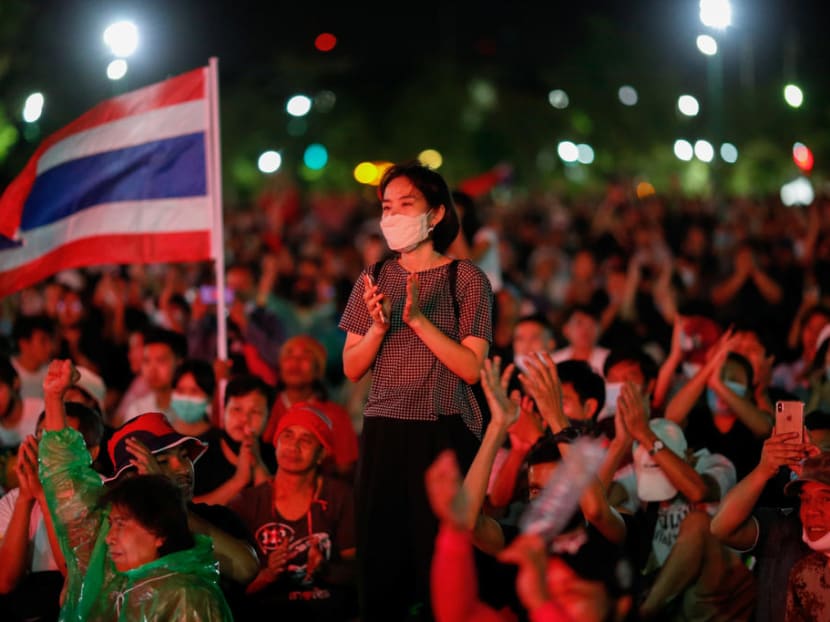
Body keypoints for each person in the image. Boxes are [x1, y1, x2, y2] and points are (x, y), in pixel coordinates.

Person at [339, 161, 493, 621]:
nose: (393, 216)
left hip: (441, 431)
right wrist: (377, 329)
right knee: (382, 562)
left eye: (406, 204)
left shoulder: (465, 277)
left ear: (437, 213)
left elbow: (471, 368)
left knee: (440, 559)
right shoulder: (373, 276)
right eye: (387, 207)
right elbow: (351, 367)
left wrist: (420, 322)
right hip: (384, 429)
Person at [37, 359, 233, 621]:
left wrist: (164, 501)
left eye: (184, 456)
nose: (182, 469)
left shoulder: (190, 593)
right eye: (161, 462)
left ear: (160, 531)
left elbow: (247, 566)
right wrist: (53, 397)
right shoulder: (101, 537)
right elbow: (64, 477)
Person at [229, 402, 358, 621]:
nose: (294, 446)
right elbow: (230, 590)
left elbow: (359, 573)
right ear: (276, 444)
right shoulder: (247, 503)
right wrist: (267, 574)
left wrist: (326, 570)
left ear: (321, 453)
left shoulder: (339, 497)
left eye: (306, 440)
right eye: (287, 436)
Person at [0, 402, 103, 622]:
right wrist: (25, 499)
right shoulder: (14, 499)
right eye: (42, 438)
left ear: (92, 453)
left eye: (61, 442)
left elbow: (76, 575)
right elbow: (4, 581)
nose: (48, 450)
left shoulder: (102, 493)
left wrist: (46, 500)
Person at [262, 335, 359, 481]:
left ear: (318, 370)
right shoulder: (263, 406)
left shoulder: (336, 414)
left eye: (305, 357)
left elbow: (346, 468)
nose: (295, 362)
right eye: (289, 355)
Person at [193, 373, 276, 504]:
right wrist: (239, 480)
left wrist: (257, 464)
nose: (244, 419)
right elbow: (187, 509)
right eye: (237, 409)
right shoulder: (198, 450)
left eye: (255, 412)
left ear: (268, 417)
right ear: (224, 410)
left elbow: (275, 509)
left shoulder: (276, 456)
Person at [117, 326, 188, 426]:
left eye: (161, 360)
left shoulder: (190, 409)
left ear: (179, 363)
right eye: (146, 361)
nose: (152, 370)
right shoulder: (138, 410)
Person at [10, 314, 56, 401]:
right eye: (43, 341)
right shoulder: (7, 373)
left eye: (50, 340)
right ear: (24, 344)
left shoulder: (52, 373)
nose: (50, 347)